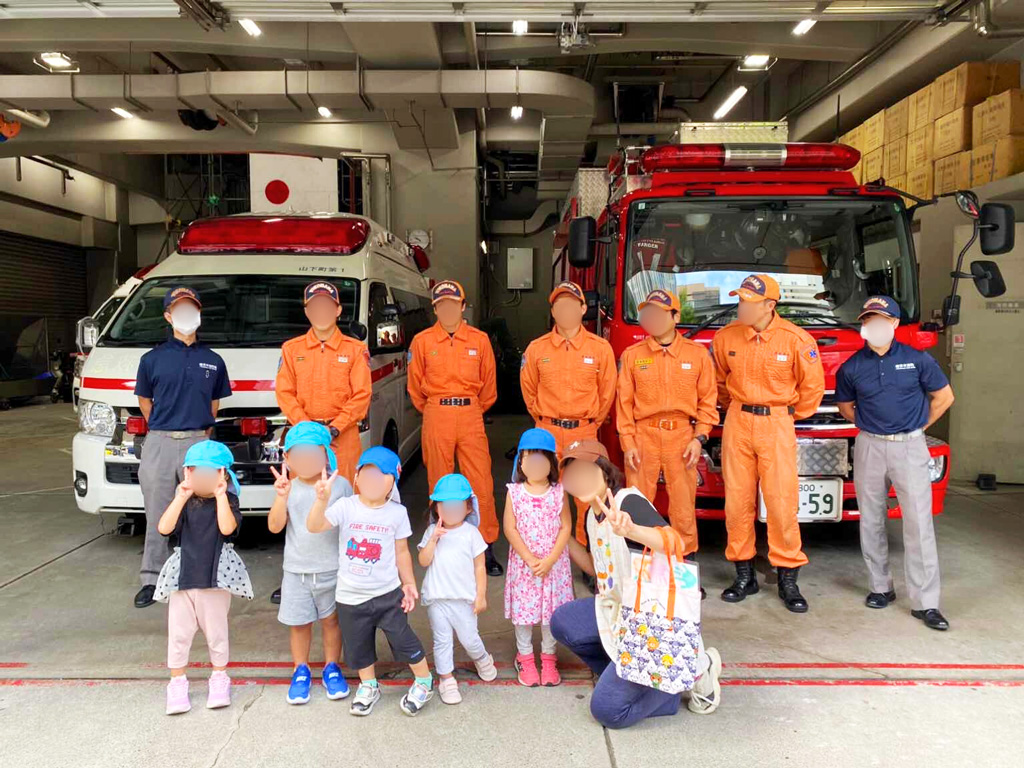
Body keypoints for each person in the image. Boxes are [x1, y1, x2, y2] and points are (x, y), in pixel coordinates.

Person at [550, 440, 722, 729]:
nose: (577, 478)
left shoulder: (627, 502)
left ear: (604, 471)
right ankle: (640, 682)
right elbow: (598, 568)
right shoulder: (593, 515)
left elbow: (675, 543)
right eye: (571, 473)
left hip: (651, 622)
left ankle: (693, 672)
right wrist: (562, 534)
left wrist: (633, 530)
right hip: (618, 613)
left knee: (607, 712)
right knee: (563, 622)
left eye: (585, 470)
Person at [836, 296, 955, 631]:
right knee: (870, 518)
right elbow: (846, 406)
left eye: (880, 320)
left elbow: (944, 397)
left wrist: (918, 427)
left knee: (918, 522)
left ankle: (925, 602)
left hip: (909, 447)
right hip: (870, 446)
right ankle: (880, 587)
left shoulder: (918, 360)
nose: (873, 326)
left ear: (894, 324)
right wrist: (872, 425)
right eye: (868, 320)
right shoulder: (852, 366)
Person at [712, 274, 825, 613]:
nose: (741, 306)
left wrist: (785, 415)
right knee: (737, 501)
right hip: (737, 421)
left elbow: (812, 390)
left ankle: (788, 576)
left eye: (748, 301)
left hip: (777, 423)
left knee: (780, 501)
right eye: (740, 300)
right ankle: (743, 573)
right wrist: (736, 409)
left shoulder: (796, 339)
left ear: (769, 305)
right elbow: (718, 382)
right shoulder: (725, 337)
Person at [306, 446, 434, 717]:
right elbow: (314, 526)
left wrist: (408, 583)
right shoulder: (345, 506)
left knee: (403, 639)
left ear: (392, 484)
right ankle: (369, 685)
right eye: (368, 475)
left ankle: (424, 681)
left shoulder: (396, 513)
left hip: (388, 594)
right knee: (358, 645)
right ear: (356, 479)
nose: (373, 482)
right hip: (350, 595)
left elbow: (401, 552)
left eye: (381, 476)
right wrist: (321, 500)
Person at [274, 280, 372, 605]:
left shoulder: (355, 350)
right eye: (314, 306)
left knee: (344, 500)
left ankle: (350, 570)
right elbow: (284, 393)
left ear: (338, 310)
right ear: (307, 311)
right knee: (301, 501)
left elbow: (362, 396)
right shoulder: (291, 350)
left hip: (341, 438)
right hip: (304, 442)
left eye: (327, 306)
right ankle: (297, 575)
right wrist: (306, 431)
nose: (321, 311)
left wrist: (333, 429)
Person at [134, 286, 231, 609]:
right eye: (178, 309)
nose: (186, 315)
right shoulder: (152, 359)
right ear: (168, 316)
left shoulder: (213, 360)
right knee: (159, 512)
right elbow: (144, 402)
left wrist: (196, 435)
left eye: (191, 308)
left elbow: (214, 404)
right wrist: (164, 427)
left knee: (204, 511)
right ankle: (152, 579)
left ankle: (205, 574)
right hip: (160, 442)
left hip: (198, 443)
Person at [407, 279, 503, 577]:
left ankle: (485, 545)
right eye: (441, 305)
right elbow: (415, 389)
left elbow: (489, 387)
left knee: (481, 484)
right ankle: (443, 545)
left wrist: (469, 407)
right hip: (436, 414)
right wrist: (438, 409)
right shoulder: (421, 342)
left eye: (453, 304)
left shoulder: (479, 340)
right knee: (440, 483)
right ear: (435, 309)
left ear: (463, 307)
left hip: (471, 414)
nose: (447, 310)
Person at [616, 289, 718, 558]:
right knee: (637, 503)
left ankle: (686, 567)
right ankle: (639, 565)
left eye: (660, 313)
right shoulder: (632, 355)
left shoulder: (697, 355)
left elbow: (708, 401)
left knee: (684, 507)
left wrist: (700, 438)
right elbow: (623, 403)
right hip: (642, 436)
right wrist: (627, 443)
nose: (652, 319)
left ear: (675, 316)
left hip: (682, 437)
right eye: (648, 314)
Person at [153, 440, 249, 715]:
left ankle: (219, 678)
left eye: (211, 472)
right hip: (184, 579)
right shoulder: (183, 502)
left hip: (215, 579)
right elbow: (164, 528)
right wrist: (181, 496)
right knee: (179, 634)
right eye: (196, 472)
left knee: (217, 633)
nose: (203, 478)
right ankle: (177, 681)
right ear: (188, 473)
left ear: (223, 475)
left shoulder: (228, 501)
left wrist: (220, 495)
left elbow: (227, 529)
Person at [520, 280, 616, 544]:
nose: (566, 310)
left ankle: (587, 551)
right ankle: (548, 548)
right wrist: (543, 418)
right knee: (547, 492)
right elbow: (528, 390)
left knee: (587, 495)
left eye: (572, 304)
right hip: (546, 432)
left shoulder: (599, 348)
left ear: (583, 308)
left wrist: (591, 421)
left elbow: (607, 391)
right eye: (560, 305)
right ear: (552, 311)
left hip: (584, 430)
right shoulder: (537, 349)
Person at [267, 422, 354, 705]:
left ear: (326, 455)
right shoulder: (287, 488)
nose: (305, 461)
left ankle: (331, 667)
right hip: (296, 570)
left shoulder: (340, 485)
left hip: (332, 568)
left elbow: (351, 526)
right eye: (298, 456)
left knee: (332, 621)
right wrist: (281, 499)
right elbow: (275, 527)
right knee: (299, 623)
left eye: (312, 455)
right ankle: (300, 669)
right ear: (287, 459)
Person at [417, 474, 498, 705]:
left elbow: (480, 567)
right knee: (441, 640)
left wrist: (480, 595)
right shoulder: (432, 531)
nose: (450, 510)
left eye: (456, 505)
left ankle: (481, 658)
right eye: (445, 505)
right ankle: (446, 678)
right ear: (437, 507)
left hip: (464, 599)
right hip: (437, 599)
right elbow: (423, 561)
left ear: (468, 508)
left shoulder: (472, 534)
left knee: (470, 638)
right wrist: (433, 540)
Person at [503, 428, 574, 688]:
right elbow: (509, 528)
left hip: (553, 566)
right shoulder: (515, 492)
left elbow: (566, 526)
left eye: (541, 459)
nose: (534, 464)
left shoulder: (559, 492)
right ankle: (525, 657)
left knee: (549, 613)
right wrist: (530, 558)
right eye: (529, 458)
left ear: (552, 463)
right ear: (520, 461)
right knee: (524, 612)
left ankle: (549, 657)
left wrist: (551, 559)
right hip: (525, 566)